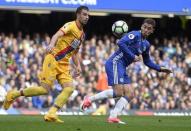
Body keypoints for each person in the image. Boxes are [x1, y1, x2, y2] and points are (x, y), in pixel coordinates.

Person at [3, 6, 89, 123]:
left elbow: (74, 52)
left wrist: (78, 66)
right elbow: (56, 35)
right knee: (44, 90)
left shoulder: (82, 35)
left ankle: (51, 113)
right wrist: (51, 45)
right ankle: (13, 95)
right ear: (78, 14)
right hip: (53, 59)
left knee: (69, 89)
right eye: (84, 14)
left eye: (88, 15)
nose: (86, 17)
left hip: (64, 65)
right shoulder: (70, 25)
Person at [81, 18, 172, 124]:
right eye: (144, 27)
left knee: (130, 94)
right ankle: (89, 99)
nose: (146, 30)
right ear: (141, 27)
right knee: (119, 92)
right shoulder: (135, 35)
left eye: (149, 29)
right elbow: (121, 43)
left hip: (122, 67)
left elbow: (147, 61)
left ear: (152, 31)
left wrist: (160, 69)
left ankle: (113, 117)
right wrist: (132, 56)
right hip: (115, 63)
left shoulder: (146, 44)